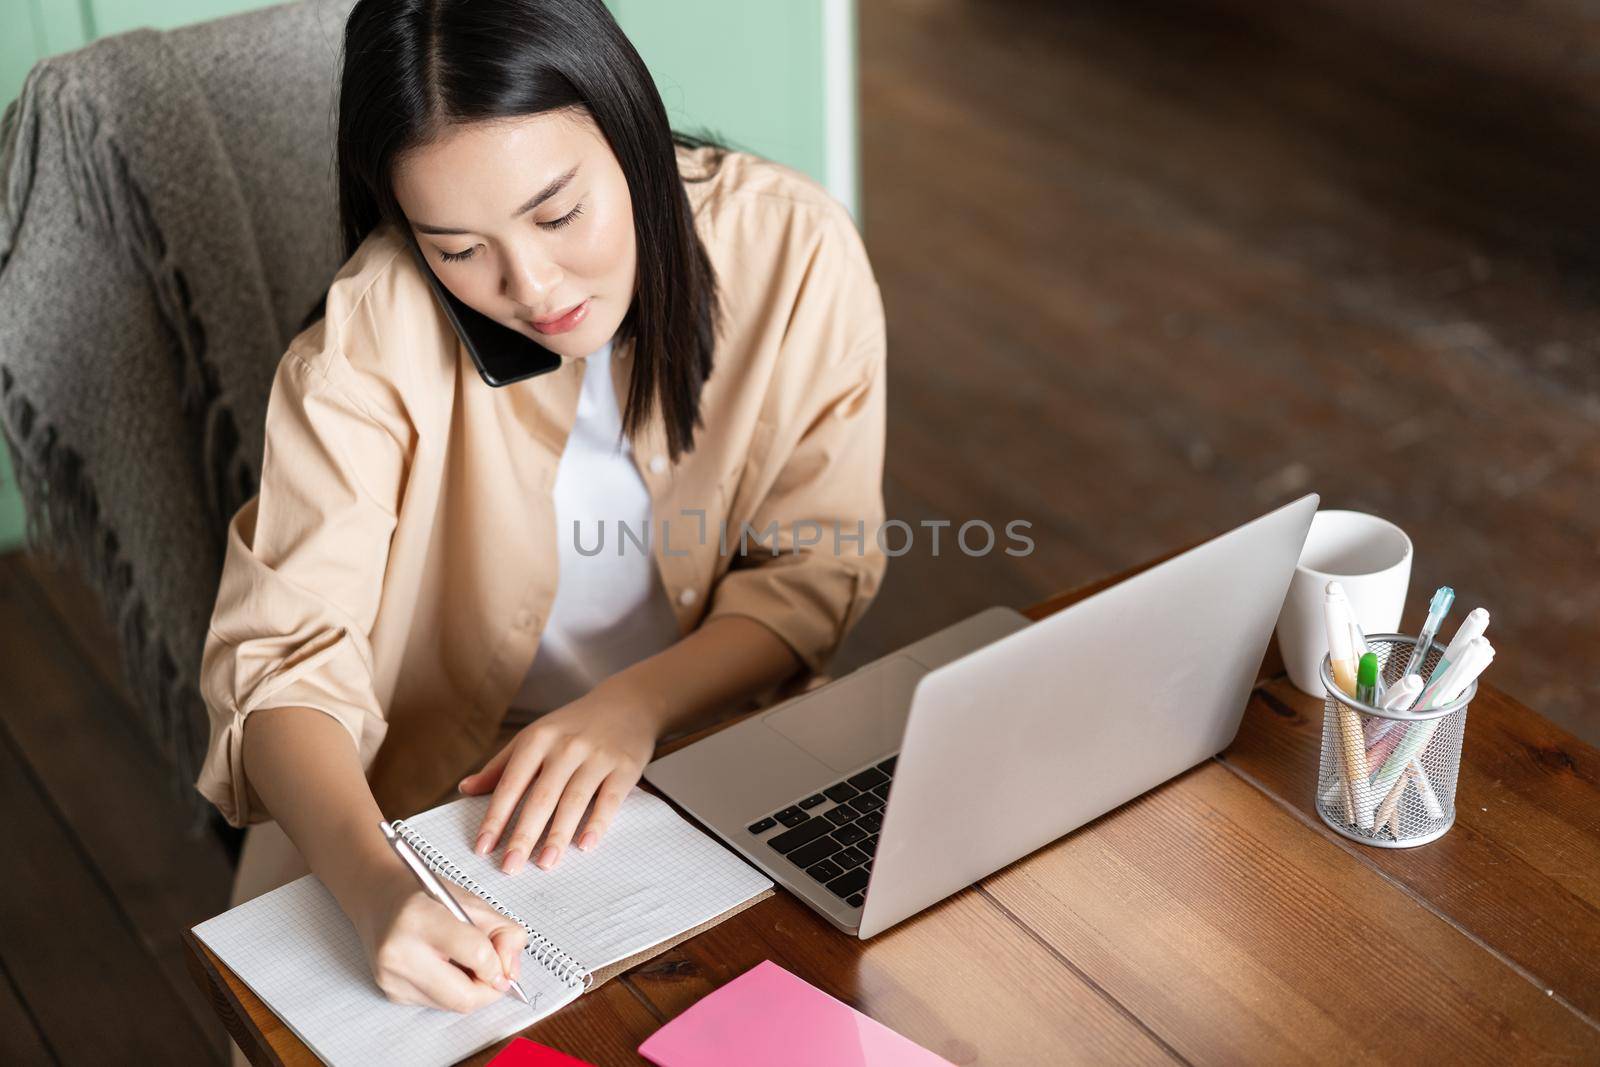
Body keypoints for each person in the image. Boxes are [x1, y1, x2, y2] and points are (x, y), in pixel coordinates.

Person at [194, 0, 887, 1022]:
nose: (530, 285)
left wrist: (630, 707)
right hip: (419, 805)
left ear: (629, 127)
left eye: (558, 214)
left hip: (706, 754)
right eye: (456, 246)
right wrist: (383, 884)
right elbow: (281, 663)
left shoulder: (793, 252)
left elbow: (810, 569)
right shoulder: (368, 336)